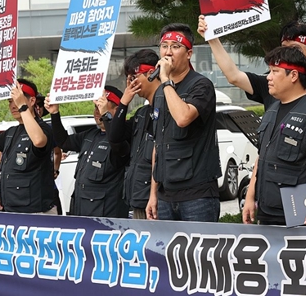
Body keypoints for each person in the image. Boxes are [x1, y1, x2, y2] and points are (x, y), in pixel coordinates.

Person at [197, 16, 306, 179]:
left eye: (295, 48)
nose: (287, 53)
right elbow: (234, 76)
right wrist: (212, 39)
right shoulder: (271, 82)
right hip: (271, 181)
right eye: (284, 48)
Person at [241, 47, 306, 226]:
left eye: (274, 72)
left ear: (293, 76)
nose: (268, 77)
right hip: (268, 210)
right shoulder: (272, 109)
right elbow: (261, 157)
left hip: (299, 212)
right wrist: (250, 197)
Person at [146, 23, 222, 222]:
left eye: (175, 46)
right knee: (165, 253)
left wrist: (165, 81)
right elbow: (158, 144)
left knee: (200, 253)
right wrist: (153, 194)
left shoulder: (201, 85)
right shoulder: (162, 92)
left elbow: (182, 118)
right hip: (165, 194)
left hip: (197, 194)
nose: (168, 52)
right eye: (164, 46)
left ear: (189, 53)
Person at [0, 79, 57, 214]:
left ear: (32, 101)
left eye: (17, 99)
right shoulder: (11, 132)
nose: (13, 105)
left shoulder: (43, 128)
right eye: (10, 101)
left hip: (35, 212)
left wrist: (22, 107)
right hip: (11, 209)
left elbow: (38, 140)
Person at [45, 86, 130, 217]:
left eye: (101, 106)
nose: (97, 111)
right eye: (96, 107)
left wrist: (106, 116)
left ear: (117, 109)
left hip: (106, 216)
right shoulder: (90, 135)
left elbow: (118, 144)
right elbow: (63, 142)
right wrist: (55, 113)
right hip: (81, 210)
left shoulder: (125, 136)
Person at [108, 49, 162, 219]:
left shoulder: (168, 107)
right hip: (137, 197)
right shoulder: (141, 113)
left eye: (134, 77)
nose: (131, 83)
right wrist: (124, 102)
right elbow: (115, 136)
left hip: (158, 199)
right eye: (128, 79)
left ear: (151, 73)